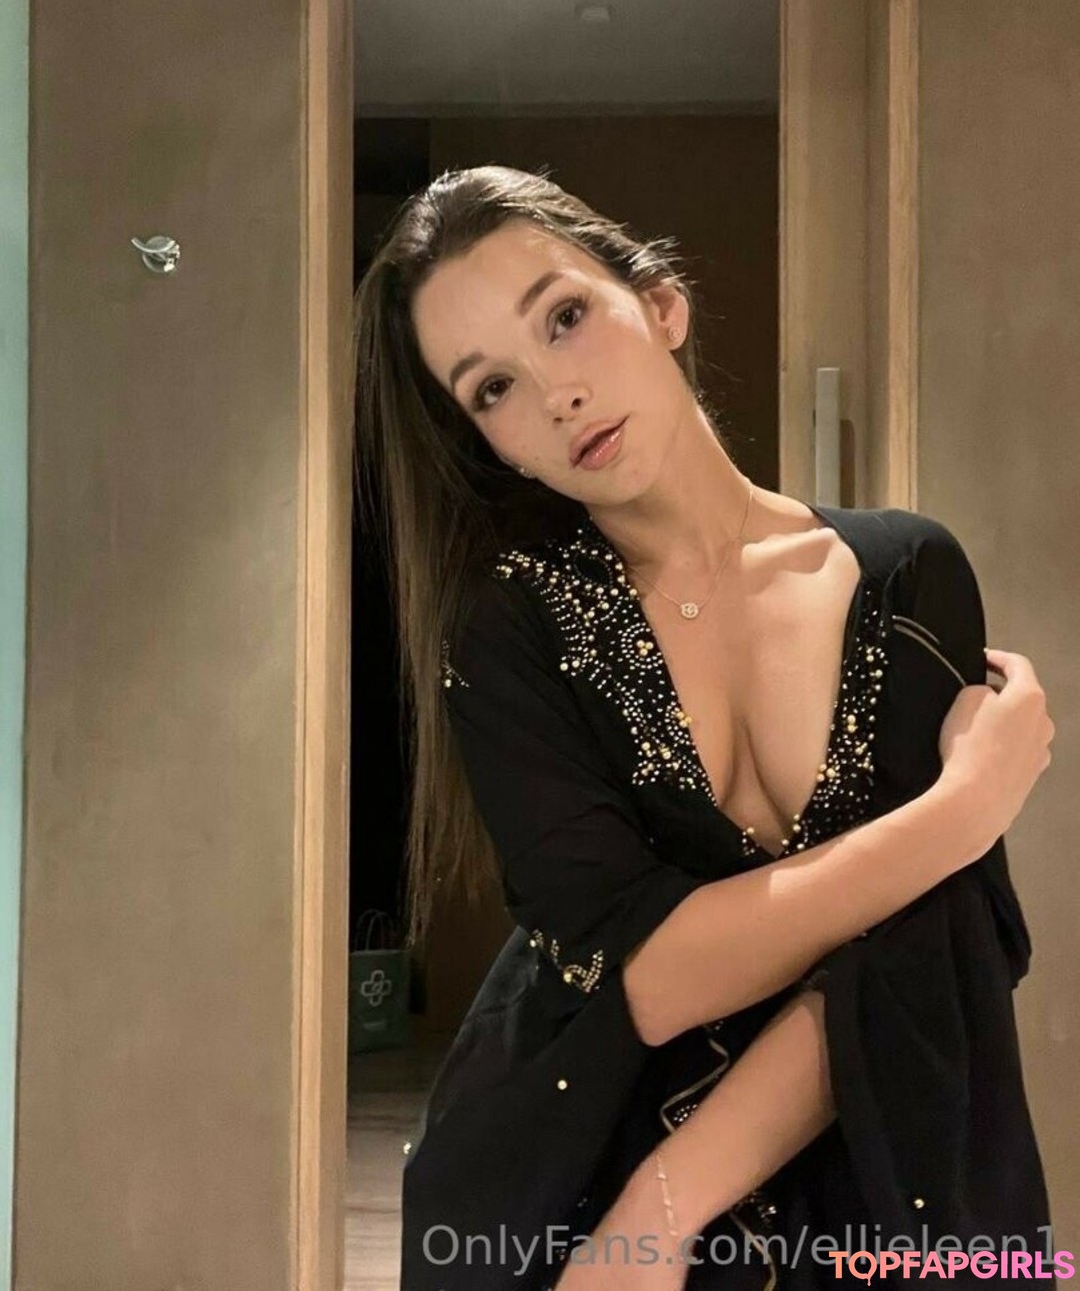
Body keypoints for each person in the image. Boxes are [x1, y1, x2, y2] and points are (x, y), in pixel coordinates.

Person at [352, 166, 1057, 1291]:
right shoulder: (508, 630)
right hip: (565, 1180)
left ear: (661, 303)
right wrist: (962, 814)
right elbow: (656, 974)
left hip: (872, 1178)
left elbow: (925, 947)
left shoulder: (910, 573)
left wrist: (666, 1205)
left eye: (565, 317)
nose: (557, 394)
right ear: (490, 443)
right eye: (493, 388)